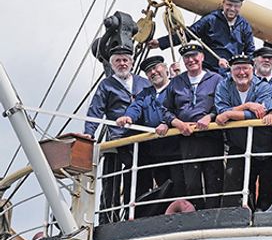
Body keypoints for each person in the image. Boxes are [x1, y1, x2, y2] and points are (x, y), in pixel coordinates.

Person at [85, 45, 150, 220]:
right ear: (112, 65)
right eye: (118, 61)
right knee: (111, 179)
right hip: (117, 137)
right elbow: (96, 110)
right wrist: (89, 133)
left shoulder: (144, 83)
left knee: (140, 175)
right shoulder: (107, 85)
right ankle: (108, 216)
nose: (122, 64)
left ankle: (136, 213)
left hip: (142, 137)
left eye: (125, 60)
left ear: (132, 62)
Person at [162, 42, 226, 209]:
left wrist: (210, 117)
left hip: (211, 138)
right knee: (191, 182)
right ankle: (196, 214)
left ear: (202, 57)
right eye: (186, 57)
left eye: (194, 56)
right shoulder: (176, 82)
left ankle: (214, 214)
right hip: (187, 139)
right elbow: (165, 109)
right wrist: (176, 122)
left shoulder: (217, 80)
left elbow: (223, 104)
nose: (191, 60)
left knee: (214, 179)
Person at [215, 54, 272, 210]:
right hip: (238, 144)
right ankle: (237, 215)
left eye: (245, 68)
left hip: (264, 145)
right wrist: (247, 106)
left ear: (253, 69)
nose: (241, 72)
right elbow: (221, 112)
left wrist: (230, 114)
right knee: (235, 183)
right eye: (237, 68)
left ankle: (265, 215)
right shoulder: (224, 86)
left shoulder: (263, 86)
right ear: (231, 71)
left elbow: (260, 113)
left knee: (267, 185)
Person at [116, 55, 182, 208]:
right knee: (164, 188)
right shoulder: (145, 94)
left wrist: (167, 123)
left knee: (180, 186)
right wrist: (128, 117)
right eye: (149, 71)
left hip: (177, 150)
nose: (153, 72)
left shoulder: (177, 87)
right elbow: (136, 107)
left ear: (165, 69)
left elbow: (182, 108)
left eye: (156, 68)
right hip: (156, 152)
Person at [150, 0, 254, 74]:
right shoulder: (211, 20)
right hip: (209, 70)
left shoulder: (244, 26)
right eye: (229, 5)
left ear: (240, 7)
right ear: (223, 3)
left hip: (231, 72)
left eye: (236, 6)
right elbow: (188, 33)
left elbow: (250, 51)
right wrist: (161, 42)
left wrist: (246, 70)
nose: (232, 9)